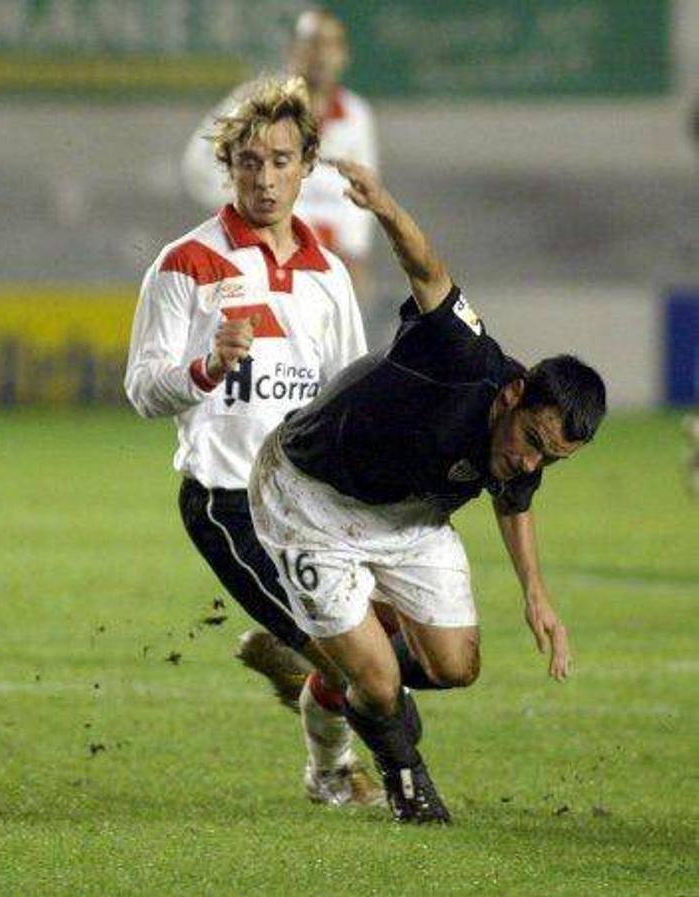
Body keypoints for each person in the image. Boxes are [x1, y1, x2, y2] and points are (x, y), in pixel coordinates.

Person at [248, 159, 607, 823]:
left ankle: (327, 660)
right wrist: (384, 206)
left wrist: (537, 595)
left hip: (405, 515)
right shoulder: (461, 357)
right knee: (382, 683)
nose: (530, 462)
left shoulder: (524, 451)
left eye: (551, 458)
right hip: (308, 496)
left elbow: (514, 500)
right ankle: (405, 783)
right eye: (531, 441)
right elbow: (427, 267)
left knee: (454, 665)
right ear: (512, 394)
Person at [126, 76, 381, 806]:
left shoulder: (327, 275)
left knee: (368, 649)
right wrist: (206, 368)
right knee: (349, 657)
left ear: (308, 166)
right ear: (229, 166)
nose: (265, 179)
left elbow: (346, 399)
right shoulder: (185, 264)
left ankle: (294, 672)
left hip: (312, 503)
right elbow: (143, 390)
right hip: (228, 498)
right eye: (249, 162)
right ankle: (335, 776)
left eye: (280, 161)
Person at [181, 7, 378, 299]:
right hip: (259, 266)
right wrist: (244, 214)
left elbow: (362, 194)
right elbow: (198, 165)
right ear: (292, 50)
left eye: (331, 45)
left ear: (344, 55)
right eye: (313, 43)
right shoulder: (255, 102)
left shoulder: (355, 115)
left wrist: (355, 252)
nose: (322, 55)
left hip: (326, 274)